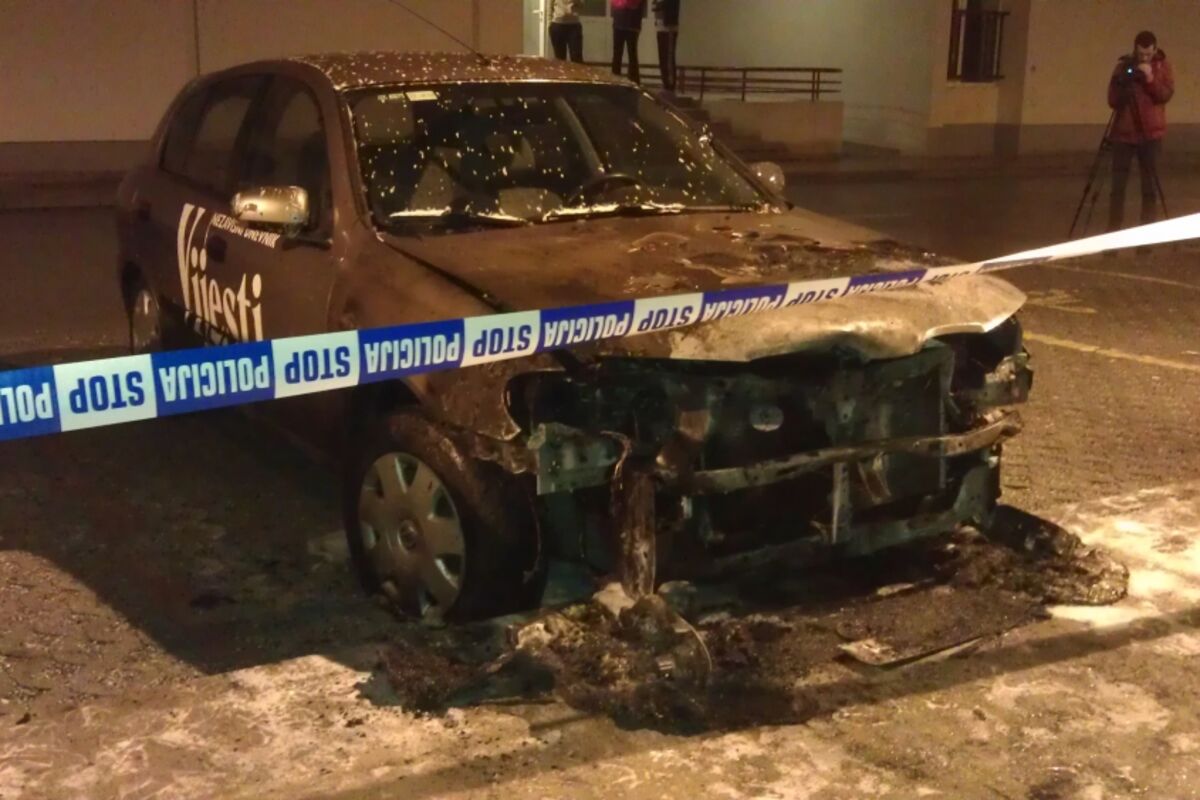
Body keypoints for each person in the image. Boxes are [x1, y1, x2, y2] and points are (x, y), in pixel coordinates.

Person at [1106, 30, 1174, 233]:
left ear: (1155, 50)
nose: (1145, 58)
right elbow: (1112, 100)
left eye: (1148, 54)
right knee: (1118, 188)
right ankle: (1113, 233)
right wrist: (1126, 84)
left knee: (1149, 188)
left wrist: (1150, 79)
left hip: (1150, 135)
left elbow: (1165, 95)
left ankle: (1146, 236)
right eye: (1141, 54)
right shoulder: (1123, 66)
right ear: (1135, 50)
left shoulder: (1162, 66)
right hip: (1124, 135)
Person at [611, 0, 646, 83]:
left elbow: (634, 3)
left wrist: (624, 3)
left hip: (632, 23)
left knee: (632, 54)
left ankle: (634, 82)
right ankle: (614, 81)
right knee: (617, 54)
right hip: (619, 22)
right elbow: (615, 3)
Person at [653, 0, 680, 94]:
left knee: (668, 57)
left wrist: (659, 5)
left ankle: (670, 86)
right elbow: (654, 6)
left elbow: (669, 4)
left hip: (669, 26)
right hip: (660, 26)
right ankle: (665, 84)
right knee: (662, 57)